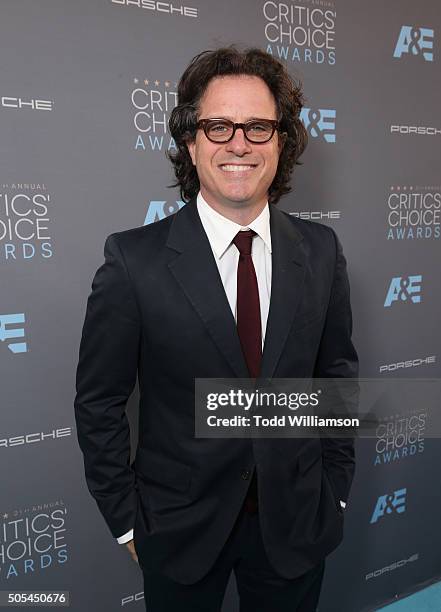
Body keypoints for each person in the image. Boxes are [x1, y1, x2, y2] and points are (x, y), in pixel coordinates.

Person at [74, 46, 359, 611]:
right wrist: (128, 523)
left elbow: (336, 376)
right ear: (190, 140)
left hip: (297, 522)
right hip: (177, 529)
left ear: (281, 141)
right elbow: (100, 402)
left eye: (258, 126)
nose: (238, 144)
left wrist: (336, 491)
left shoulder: (322, 250)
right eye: (218, 125)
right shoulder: (133, 262)